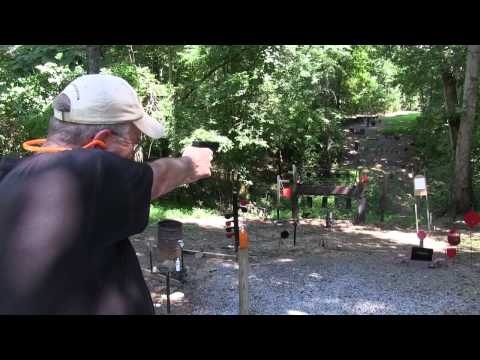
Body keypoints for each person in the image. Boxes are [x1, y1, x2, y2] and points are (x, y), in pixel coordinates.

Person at [0, 74, 213, 314]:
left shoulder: (14, 175)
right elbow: (160, 176)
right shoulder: (82, 174)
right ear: (102, 140)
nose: (134, 156)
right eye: (134, 144)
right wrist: (191, 163)